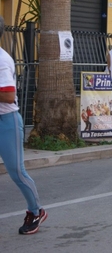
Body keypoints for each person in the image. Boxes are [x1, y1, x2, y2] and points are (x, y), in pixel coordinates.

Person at [0, 15, 48, 234]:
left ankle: (36, 211)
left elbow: (9, 96)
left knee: (17, 172)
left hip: (6, 121)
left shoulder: (2, 60)